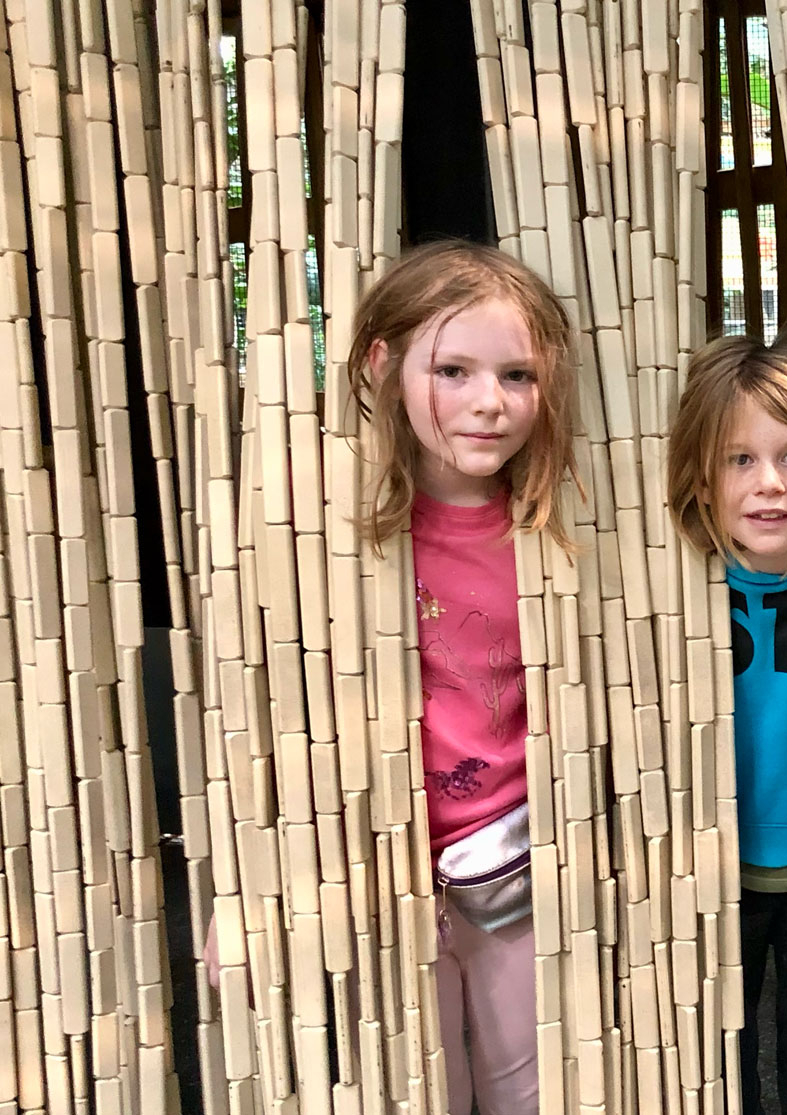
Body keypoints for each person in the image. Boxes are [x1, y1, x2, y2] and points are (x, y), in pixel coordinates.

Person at [208, 239, 580, 1113]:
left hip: (515, 875)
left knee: (528, 1092)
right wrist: (248, 891)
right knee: (414, 1086)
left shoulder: (553, 537)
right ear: (381, 364)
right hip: (373, 873)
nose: (489, 402)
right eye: (453, 369)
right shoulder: (325, 543)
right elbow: (259, 717)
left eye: (518, 376)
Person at [666, 325, 787, 1115]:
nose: (770, 484)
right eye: (740, 458)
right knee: (721, 1061)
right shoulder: (678, 590)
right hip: (716, 865)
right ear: (705, 479)